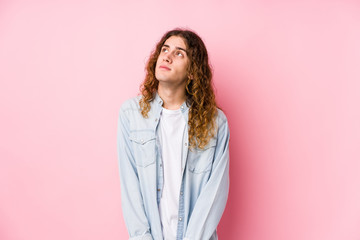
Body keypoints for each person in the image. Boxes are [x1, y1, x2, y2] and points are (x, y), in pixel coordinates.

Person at [117, 28, 230, 240]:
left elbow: (215, 194)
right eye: (165, 49)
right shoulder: (130, 115)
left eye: (179, 53)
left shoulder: (215, 123)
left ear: (192, 71)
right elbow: (130, 188)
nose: (167, 56)